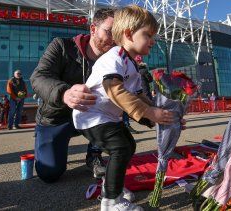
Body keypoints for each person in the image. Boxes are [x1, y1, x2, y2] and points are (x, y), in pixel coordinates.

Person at [72, 5, 175, 210]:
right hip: (91, 115)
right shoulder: (114, 57)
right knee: (120, 147)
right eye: (148, 35)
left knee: (127, 145)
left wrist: (163, 116)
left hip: (106, 117)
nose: (153, 41)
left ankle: (112, 188)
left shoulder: (132, 65)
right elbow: (114, 89)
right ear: (128, 34)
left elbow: (140, 97)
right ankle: (111, 202)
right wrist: (149, 113)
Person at [30, 9, 116, 183]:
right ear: (93, 29)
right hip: (57, 117)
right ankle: (47, 141)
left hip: (92, 117)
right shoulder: (61, 46)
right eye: (109, 32)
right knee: (49, 173)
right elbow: (38, 77)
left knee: (115, 110)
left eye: (119, 34)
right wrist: (64, 93)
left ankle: (94, 154)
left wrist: (156, 113)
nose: (114, 39)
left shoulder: (115, 59)